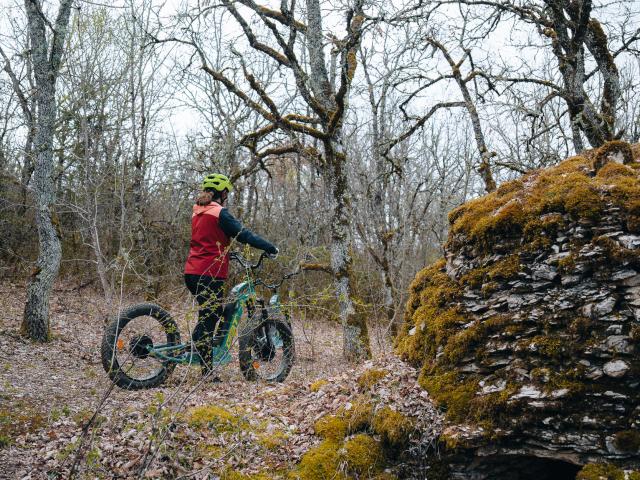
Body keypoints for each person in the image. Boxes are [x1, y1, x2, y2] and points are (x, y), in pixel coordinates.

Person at [184, 173, 278, 380]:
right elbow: (244, 234)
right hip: (209, 272)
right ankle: (206, 372)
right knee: (209, 318)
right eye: (227, 192)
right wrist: (269, 247)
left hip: (192, 271)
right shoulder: (219, 213)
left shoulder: (197, 210)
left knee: (211, 312)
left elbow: (209, 239)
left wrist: (225, 251)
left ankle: (195, 346)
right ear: (223, 192)